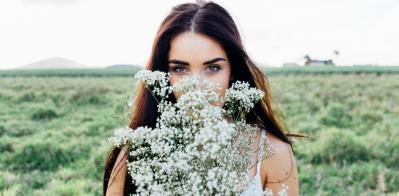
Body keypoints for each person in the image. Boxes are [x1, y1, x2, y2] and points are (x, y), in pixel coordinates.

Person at [103, 1, 299, 195]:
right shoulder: (137, 151)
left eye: (213, 68)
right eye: (180, 68)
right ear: (163, 74)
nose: (196, 87)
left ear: (232, 70)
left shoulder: (273, 152)